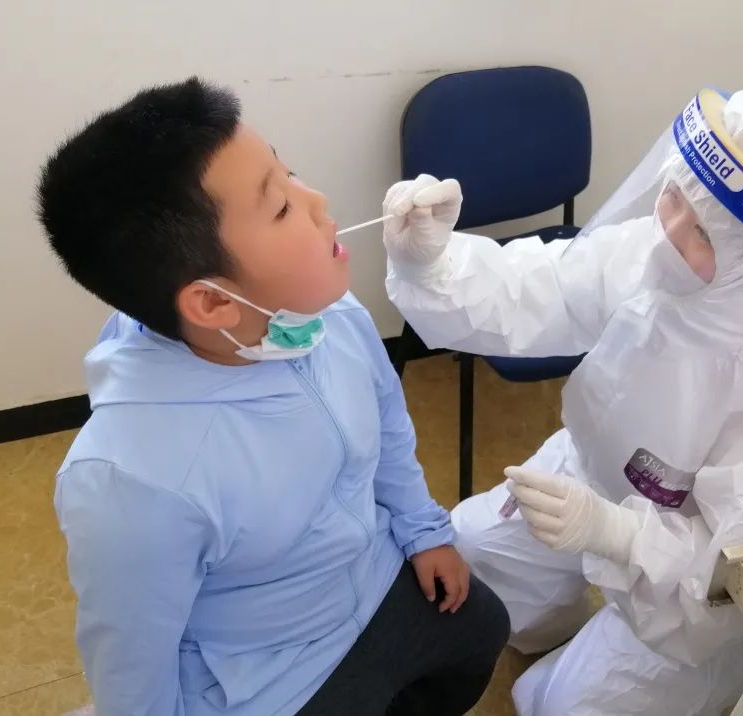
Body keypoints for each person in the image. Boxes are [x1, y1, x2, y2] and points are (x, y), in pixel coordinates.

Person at [381, 83, 743, 715]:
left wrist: (619, 536)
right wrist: (434, 264)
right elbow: (545, 287)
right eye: (677, 195)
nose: (670, 232)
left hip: (679, 578)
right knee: (471, 552)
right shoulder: (659, 256)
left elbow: (732, 581)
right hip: (587, 476)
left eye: (705, 233)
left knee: (564, 706)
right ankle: (549, 625)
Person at [38, 78, 509, 716]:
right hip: (268, 675)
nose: (318, 202)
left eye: (289, 173)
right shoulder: (133, 483)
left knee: (482, 629)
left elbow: (388, 428)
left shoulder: (323, 316)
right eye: (282, 206)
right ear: (212, 303)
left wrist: (423, 531)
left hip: (375, 577)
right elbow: (130, 666)